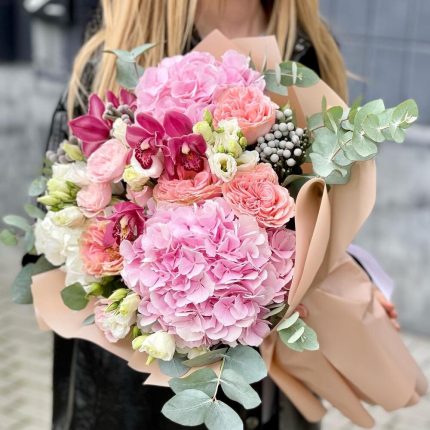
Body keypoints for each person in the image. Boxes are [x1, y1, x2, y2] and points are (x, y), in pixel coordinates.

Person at [44, 1, 396, 429]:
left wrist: (352, 276)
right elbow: (58, 236)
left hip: (265, 386)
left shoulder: (310, 50)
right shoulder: (112, 58)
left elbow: (324, 210)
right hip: (126, 397)